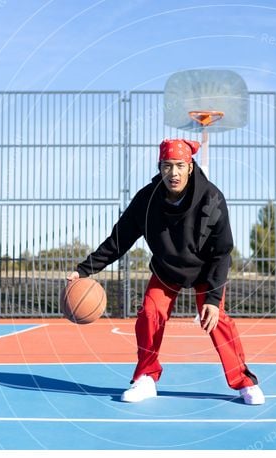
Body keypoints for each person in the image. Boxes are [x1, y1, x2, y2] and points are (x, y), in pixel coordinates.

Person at [67, 138, 264, 405]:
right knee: (149, 313)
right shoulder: (146, 200)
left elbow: (221, 253)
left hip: (206, 270)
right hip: (167, 270)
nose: (174, 173)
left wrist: (214, 302)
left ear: (190, 167)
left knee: (217, 322)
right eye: (167, 166)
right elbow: (119, 240)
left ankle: (244, 382)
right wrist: (85, 270)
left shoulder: (211, 198)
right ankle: (146, 378)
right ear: (160, 168)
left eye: (180, 166)